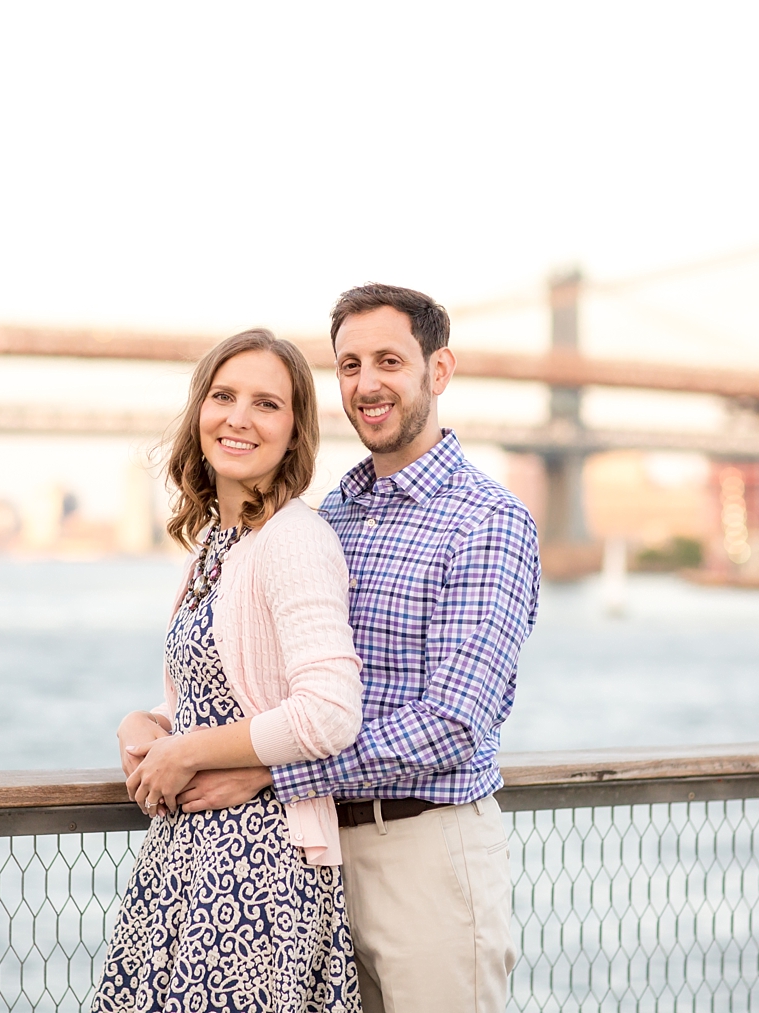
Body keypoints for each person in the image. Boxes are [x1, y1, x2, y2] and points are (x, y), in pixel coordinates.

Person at [175, 285, 543, 1013]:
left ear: (438, 371)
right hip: (318, 856)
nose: (366, 383)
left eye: (388, 360)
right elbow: (272, 672)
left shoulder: (488, 522)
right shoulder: (334, 511)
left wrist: (268, 772)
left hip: (426, 854)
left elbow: (453, 723)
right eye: (349, 365)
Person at [95, 329, 364, 1013]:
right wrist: (152, 723)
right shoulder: (222, 542)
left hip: (256, 871)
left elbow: (329, 712)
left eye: (266, 403)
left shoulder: (293, 540)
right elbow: (229, 698)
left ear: (295, 430)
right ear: (200, 410)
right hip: (189, 856)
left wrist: (185, 749)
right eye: (223, 395)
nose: (239, 417)